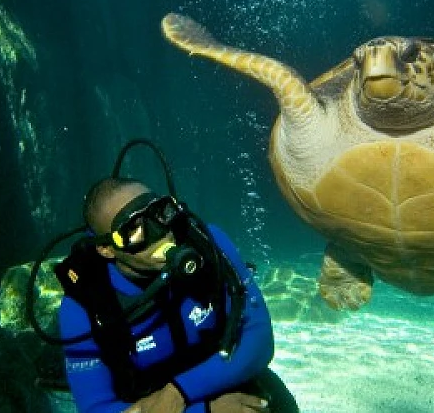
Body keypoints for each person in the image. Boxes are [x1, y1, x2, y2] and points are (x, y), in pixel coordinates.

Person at [57, 177, 298, 413]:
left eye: (160, 212)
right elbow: (96, 407)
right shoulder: (82, 308)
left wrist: (180, 391)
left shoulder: (209, 245)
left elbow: (259, 338)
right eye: (133, 228)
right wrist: (205, 410)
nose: (160, 232)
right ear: (107, 249)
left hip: (225, 374)